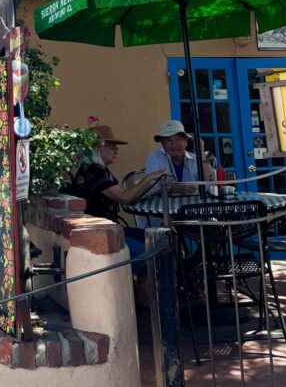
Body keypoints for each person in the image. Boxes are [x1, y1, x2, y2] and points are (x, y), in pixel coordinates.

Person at [62, 124, 167, 289]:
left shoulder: (101, 170)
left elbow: (125, 194)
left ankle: (143, 292)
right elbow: (125, 198)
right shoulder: (93, 173)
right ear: (98, 149)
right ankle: (127, 287)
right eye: (112, 148)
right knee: (147, 250)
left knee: (154, 238)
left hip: (110, 228)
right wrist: (149, 178)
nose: (116, 151)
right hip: (100, 232)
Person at [145, 119, 215, 195]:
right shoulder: (155, 158)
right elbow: (152, 186)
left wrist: (201, 152)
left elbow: (209, 184)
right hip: (163, 202)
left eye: (178, 139)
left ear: (186, 142)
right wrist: (172, 188)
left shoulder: (195, 159)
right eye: (168, 140)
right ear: (162, 144)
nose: (174, 145)